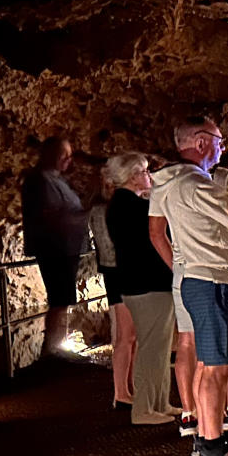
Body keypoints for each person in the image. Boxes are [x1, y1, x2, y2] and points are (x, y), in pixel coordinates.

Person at [149, 117, 228, 456]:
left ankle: (208, 433)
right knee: (216, 365)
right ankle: (212, 444)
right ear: (199, 142)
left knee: (211, 362)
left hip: (202, 277)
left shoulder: (175, 183)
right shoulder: (194, 185)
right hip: (212, 279)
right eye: (219, 142)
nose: (223, 149)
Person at [104, 152, 178, 426]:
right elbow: (156, 233)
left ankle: (160, 402)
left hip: (146, 283)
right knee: (152, 348)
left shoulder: (125, 204)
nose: (150, 176)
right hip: (146, 284)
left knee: (158, 348)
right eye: (146, 172)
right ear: (133, 176)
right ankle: (144, 409)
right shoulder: (128, 205)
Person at [20, 136, 88, 358]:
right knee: (59, 299)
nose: (69, 160)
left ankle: (58, 347)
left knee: (63, 299)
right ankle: (53, 350)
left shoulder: (54, 179)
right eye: (64, 155)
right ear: (50, 155)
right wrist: (83, 215)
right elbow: (51, 216)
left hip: (64, 248)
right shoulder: (39, 181)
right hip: (54, 249)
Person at [88, 167, 136, 406]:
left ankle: (129, 386)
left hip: (120, 271)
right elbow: (110, 248)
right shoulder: (102, 210)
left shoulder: (107, 208)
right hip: (118, 273)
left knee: (131, 335)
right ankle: (121, 392)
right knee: (125, 336)